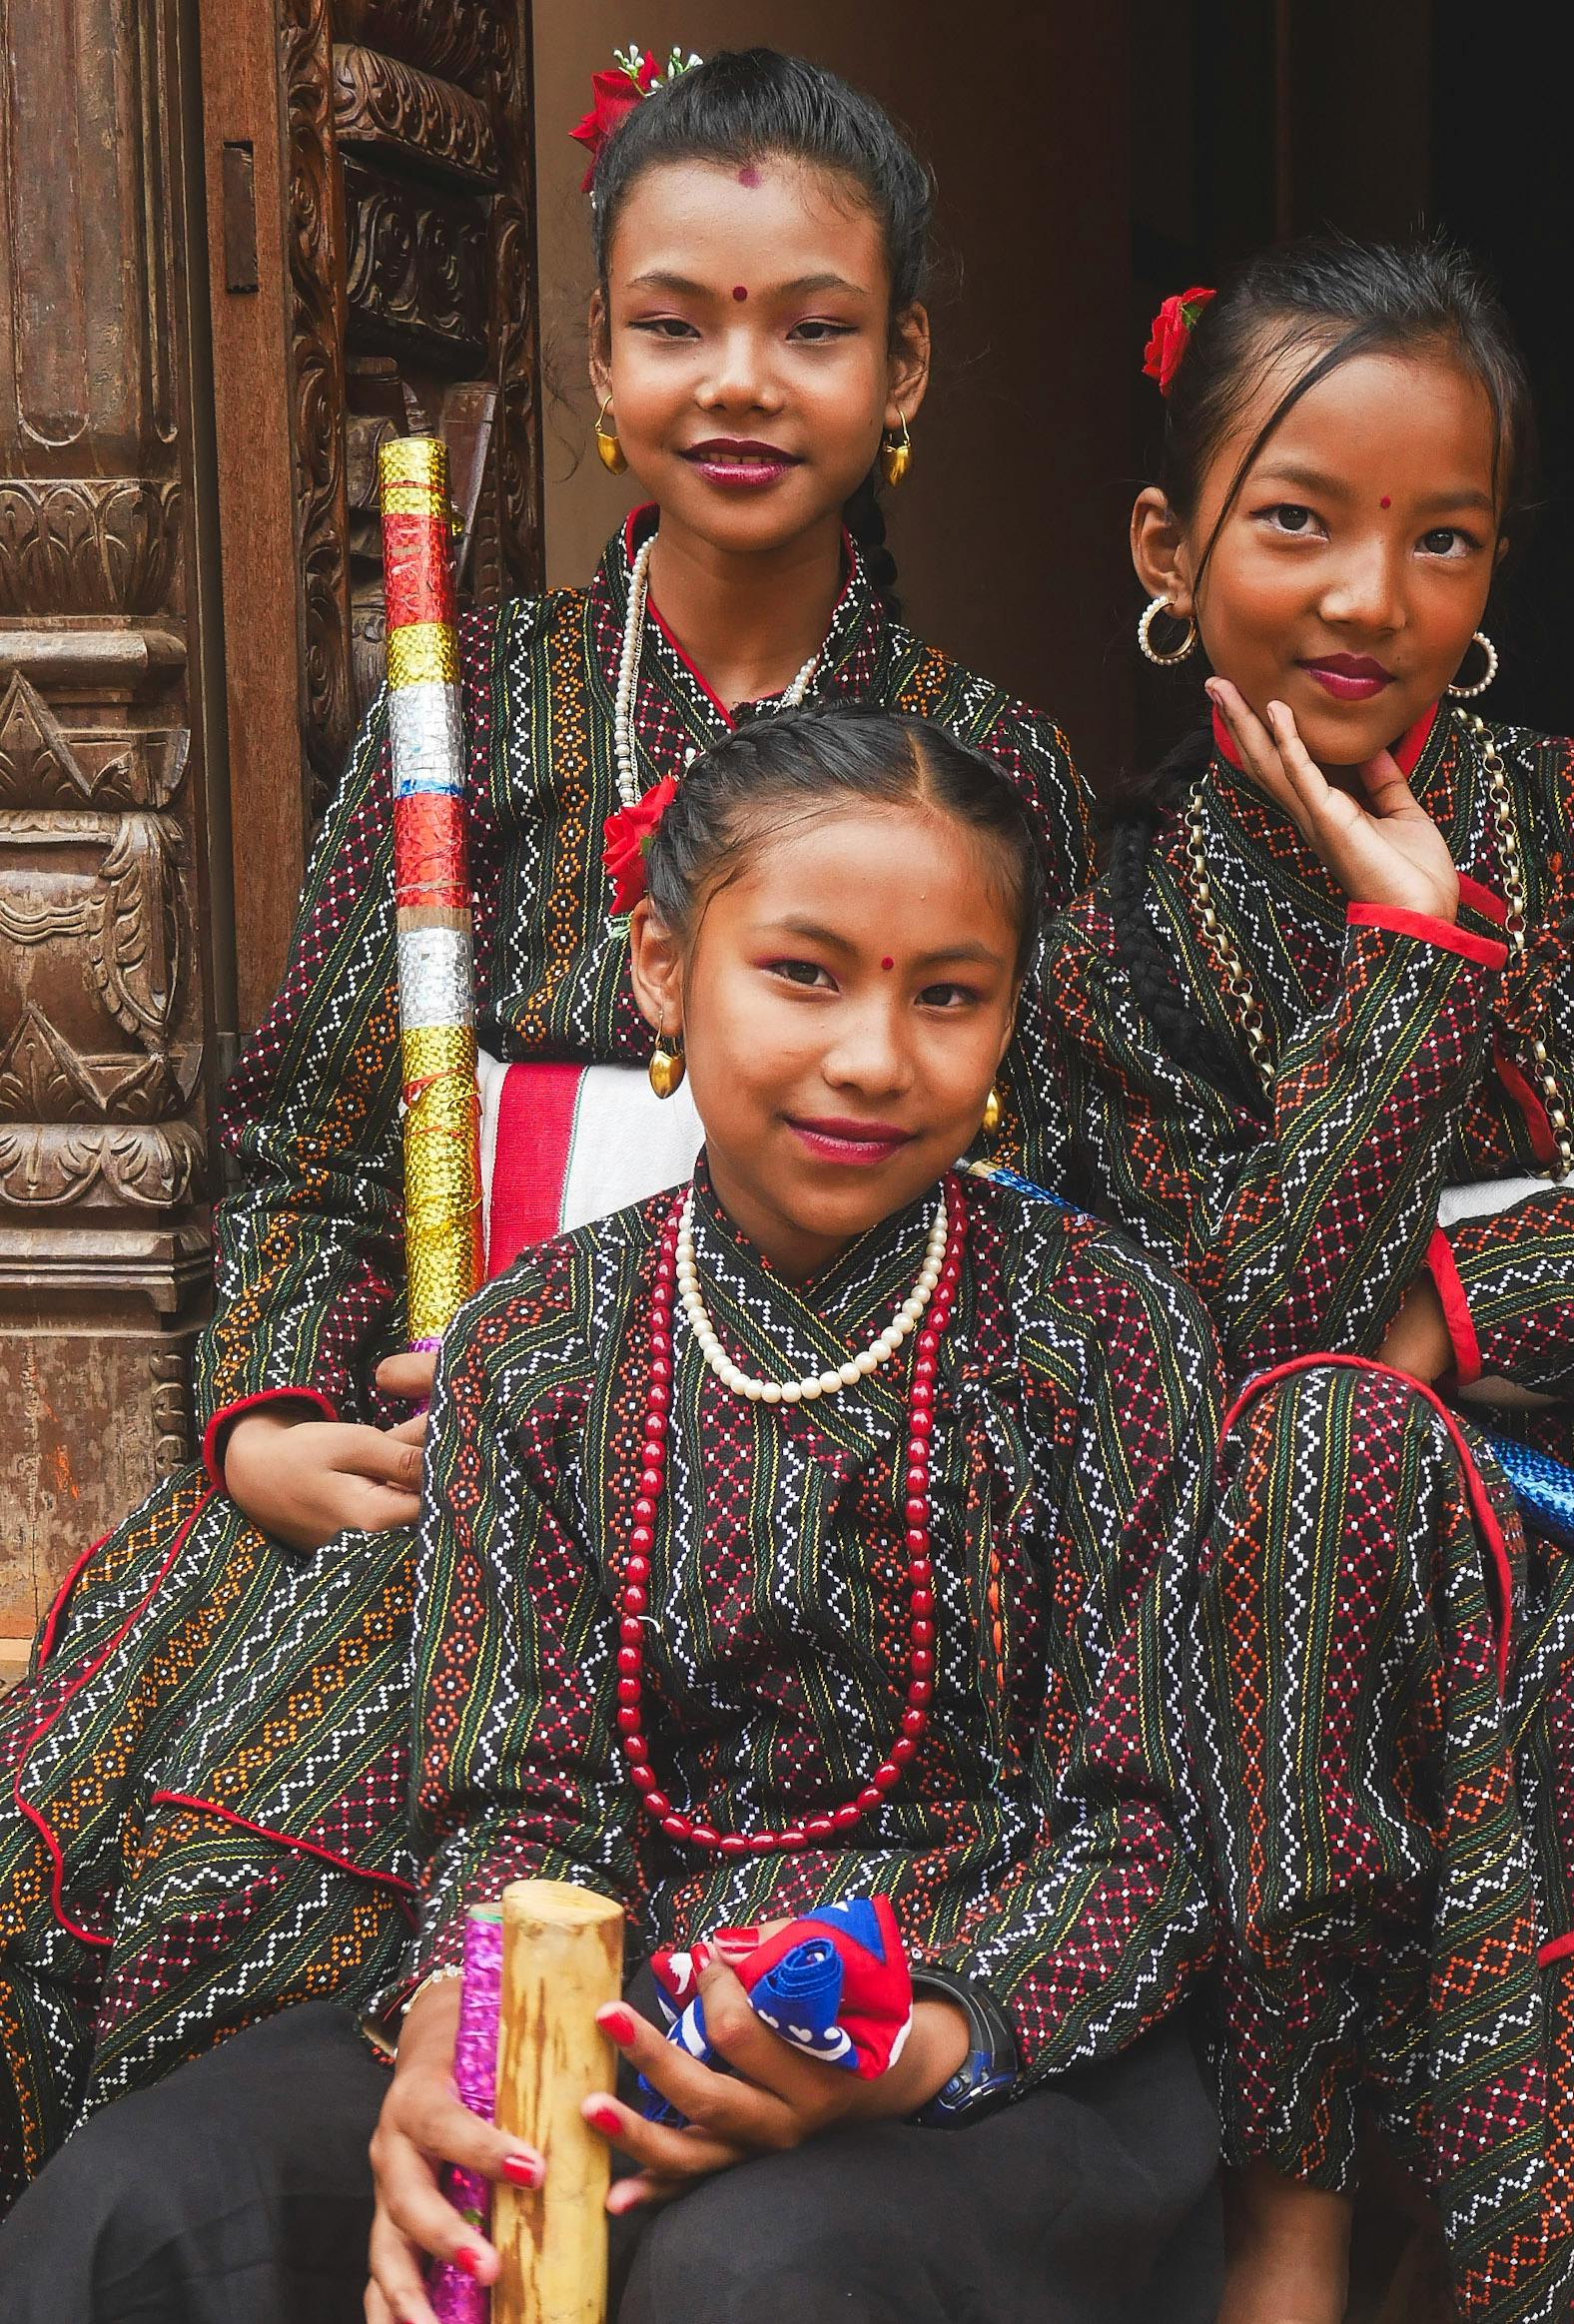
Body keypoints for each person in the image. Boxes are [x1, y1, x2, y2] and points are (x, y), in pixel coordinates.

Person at [0, 46, 1090, 2204]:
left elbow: (1031, 1196)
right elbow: (317, 1151)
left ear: (908, 367)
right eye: (675, 321)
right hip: (433, 1485)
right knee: (126, 1866)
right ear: (597, 356)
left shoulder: (988, 768)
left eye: (814, 324)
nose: (740, 381)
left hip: (790, 1496)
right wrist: (263, 1424)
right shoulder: (469, 709)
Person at [0, 705, 1221, 2324]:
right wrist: (467, 2031)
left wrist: (904, 2040)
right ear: (661, 970)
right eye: (805, 971)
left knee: (753, 2278)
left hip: (988, 2048)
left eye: (949, 995)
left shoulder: (1105, 1328)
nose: (875, 1054)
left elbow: (1152, 1836)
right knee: (147, 2207)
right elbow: (516, 1794)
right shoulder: (546, 1338)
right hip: (600, 2007)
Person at [1007, 236, 1574, 2322]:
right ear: (1170, 540)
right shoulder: (1107, 947)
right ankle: (1289, 2224)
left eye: (1444, 540)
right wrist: (1419, 978)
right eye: (1301, 523)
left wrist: (1478, 1308)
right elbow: (1225, 1349)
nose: (1369, 599)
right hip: (1294, 1609)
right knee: (1315, 1441)